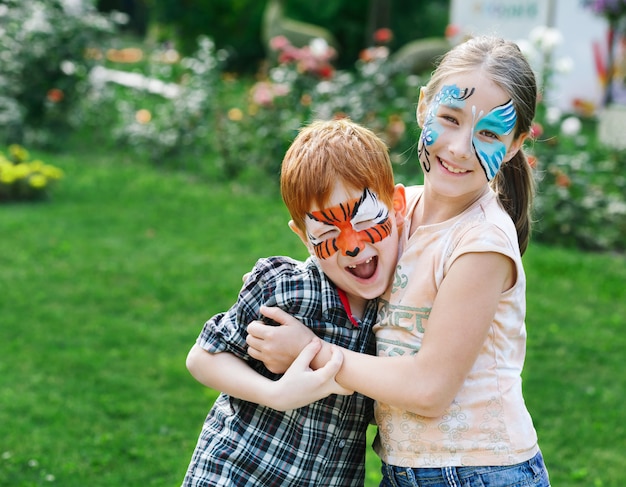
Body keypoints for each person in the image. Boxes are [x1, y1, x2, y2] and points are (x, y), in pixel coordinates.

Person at [247, 36, 551, 486]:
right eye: (449, 119)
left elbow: (429, 390)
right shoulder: (391, 214)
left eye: (488, 133)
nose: (459, 148)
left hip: (482, 471)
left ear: (514, 145)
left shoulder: (482, 242)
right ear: (423, 106)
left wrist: (309, 352)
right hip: (407, 469)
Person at [181, 118, 407, 486]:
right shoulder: (287, 291)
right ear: (304, 238)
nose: (352, 244)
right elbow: (203, 357)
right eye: (327, 232)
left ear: (397, 206)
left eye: (365, 218)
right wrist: (275, 393)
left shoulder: (397, 311)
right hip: (237, 475)